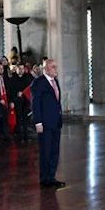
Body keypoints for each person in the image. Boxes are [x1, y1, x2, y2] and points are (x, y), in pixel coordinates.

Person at [31, 59, 64, 188]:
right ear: (45, 69)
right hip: (45, 123)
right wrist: (38, 122)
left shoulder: (55, 81)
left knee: (54, 151)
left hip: (55, 122)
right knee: (46, 151)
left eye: (56, 66)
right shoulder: (38, 83)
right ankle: (45, 178)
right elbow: (36, 104)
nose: (56, 69)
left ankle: (51, 176)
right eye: (53, 67)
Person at [12, 63, 33, 142]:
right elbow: (11, 89)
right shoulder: (13, 78)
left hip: (25, 100)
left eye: (22, 69)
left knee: (25, 118)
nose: (21, 70)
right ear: (16, 69)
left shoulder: (27, 77)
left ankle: (26, 134)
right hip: (17, 101)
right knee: (19, 118)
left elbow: (29, 87)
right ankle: (19, 135)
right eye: (19, 69)